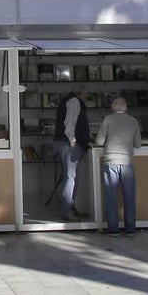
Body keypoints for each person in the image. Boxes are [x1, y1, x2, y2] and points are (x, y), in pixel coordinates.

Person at [97, 96, 144, 236]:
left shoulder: (108, 119)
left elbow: (100, 141)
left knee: (111, 196)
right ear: (126, 107)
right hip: (127, 162)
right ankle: (130, 229)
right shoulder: (134, 121)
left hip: (111, 161)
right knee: (129, 196)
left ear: (113, 107)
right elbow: (138, 144)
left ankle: (113, 229)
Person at [55, 88, 90, 220]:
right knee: (71, 178)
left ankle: (71, 209)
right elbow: (70, 122)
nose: (87, 98)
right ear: (80, 94)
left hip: (65, 143)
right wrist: (73, 140)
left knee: (72, 177)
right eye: (86, 95)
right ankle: (67, 212)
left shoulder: (66, 101)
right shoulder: (75, 101)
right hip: (69, 144)